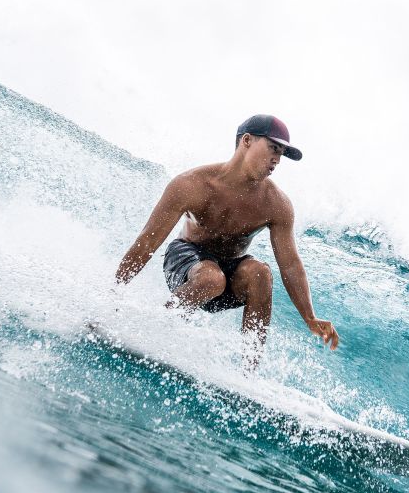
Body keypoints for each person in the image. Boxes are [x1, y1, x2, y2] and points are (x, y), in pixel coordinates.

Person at [115, 114, 339, 367]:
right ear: (246, 140)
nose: (277, 159)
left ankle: (248, 374)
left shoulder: (277, 205)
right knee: (212, 278)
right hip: (187, 259)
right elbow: (147, 242)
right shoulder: (193, 184)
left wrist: (309, 317)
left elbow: (290, 265)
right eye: (273, 148)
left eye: (282, 153)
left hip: (231, 269)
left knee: (260, 275)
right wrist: (114, 293)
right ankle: (152, 329)